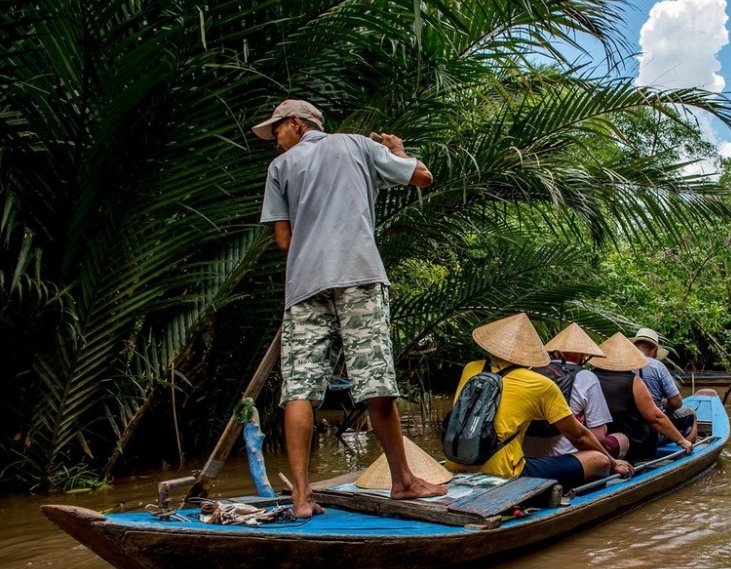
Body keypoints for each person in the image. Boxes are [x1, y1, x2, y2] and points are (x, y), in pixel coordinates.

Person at [253, 99, 446, 518]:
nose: (274, 141)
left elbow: (284, 243)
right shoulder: (356, 145)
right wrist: (396, 150)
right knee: (375, 377)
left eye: (277, 132)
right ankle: (404, 481)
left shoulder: (279, 170)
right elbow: (421, 176)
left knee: (299, 387)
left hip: (304, 285)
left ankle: (302, 497)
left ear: (297, 124)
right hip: (357, 273)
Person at [447, 313, 633, 488]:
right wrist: (613, 462)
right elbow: (580, 436)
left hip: (455, 462)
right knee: (598, 460)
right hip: (506, 473)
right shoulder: (539, 383)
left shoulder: (471, 369)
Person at [522, 323, 625, 459]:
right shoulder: (586, 377)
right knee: (622, 439)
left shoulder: (532, 371)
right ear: (583, 354)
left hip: (526, 458)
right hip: (565, 459)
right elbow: (598, 436)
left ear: (556, 350)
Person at [591, 333, 694, 462]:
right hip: (637, 442)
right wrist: (681, 441)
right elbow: (655, 417)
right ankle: (685, 456)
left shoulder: (589, 377)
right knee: (689, 414)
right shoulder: (632, 381)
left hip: (606, 436)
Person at [630, 327, 699, 444]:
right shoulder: (657, 366)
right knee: (691, 413)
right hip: (652, 428)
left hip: (628, 425)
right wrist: (664, 403)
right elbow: (677, 402)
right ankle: (687, 450)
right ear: (654, 350)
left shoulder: (621, 365)